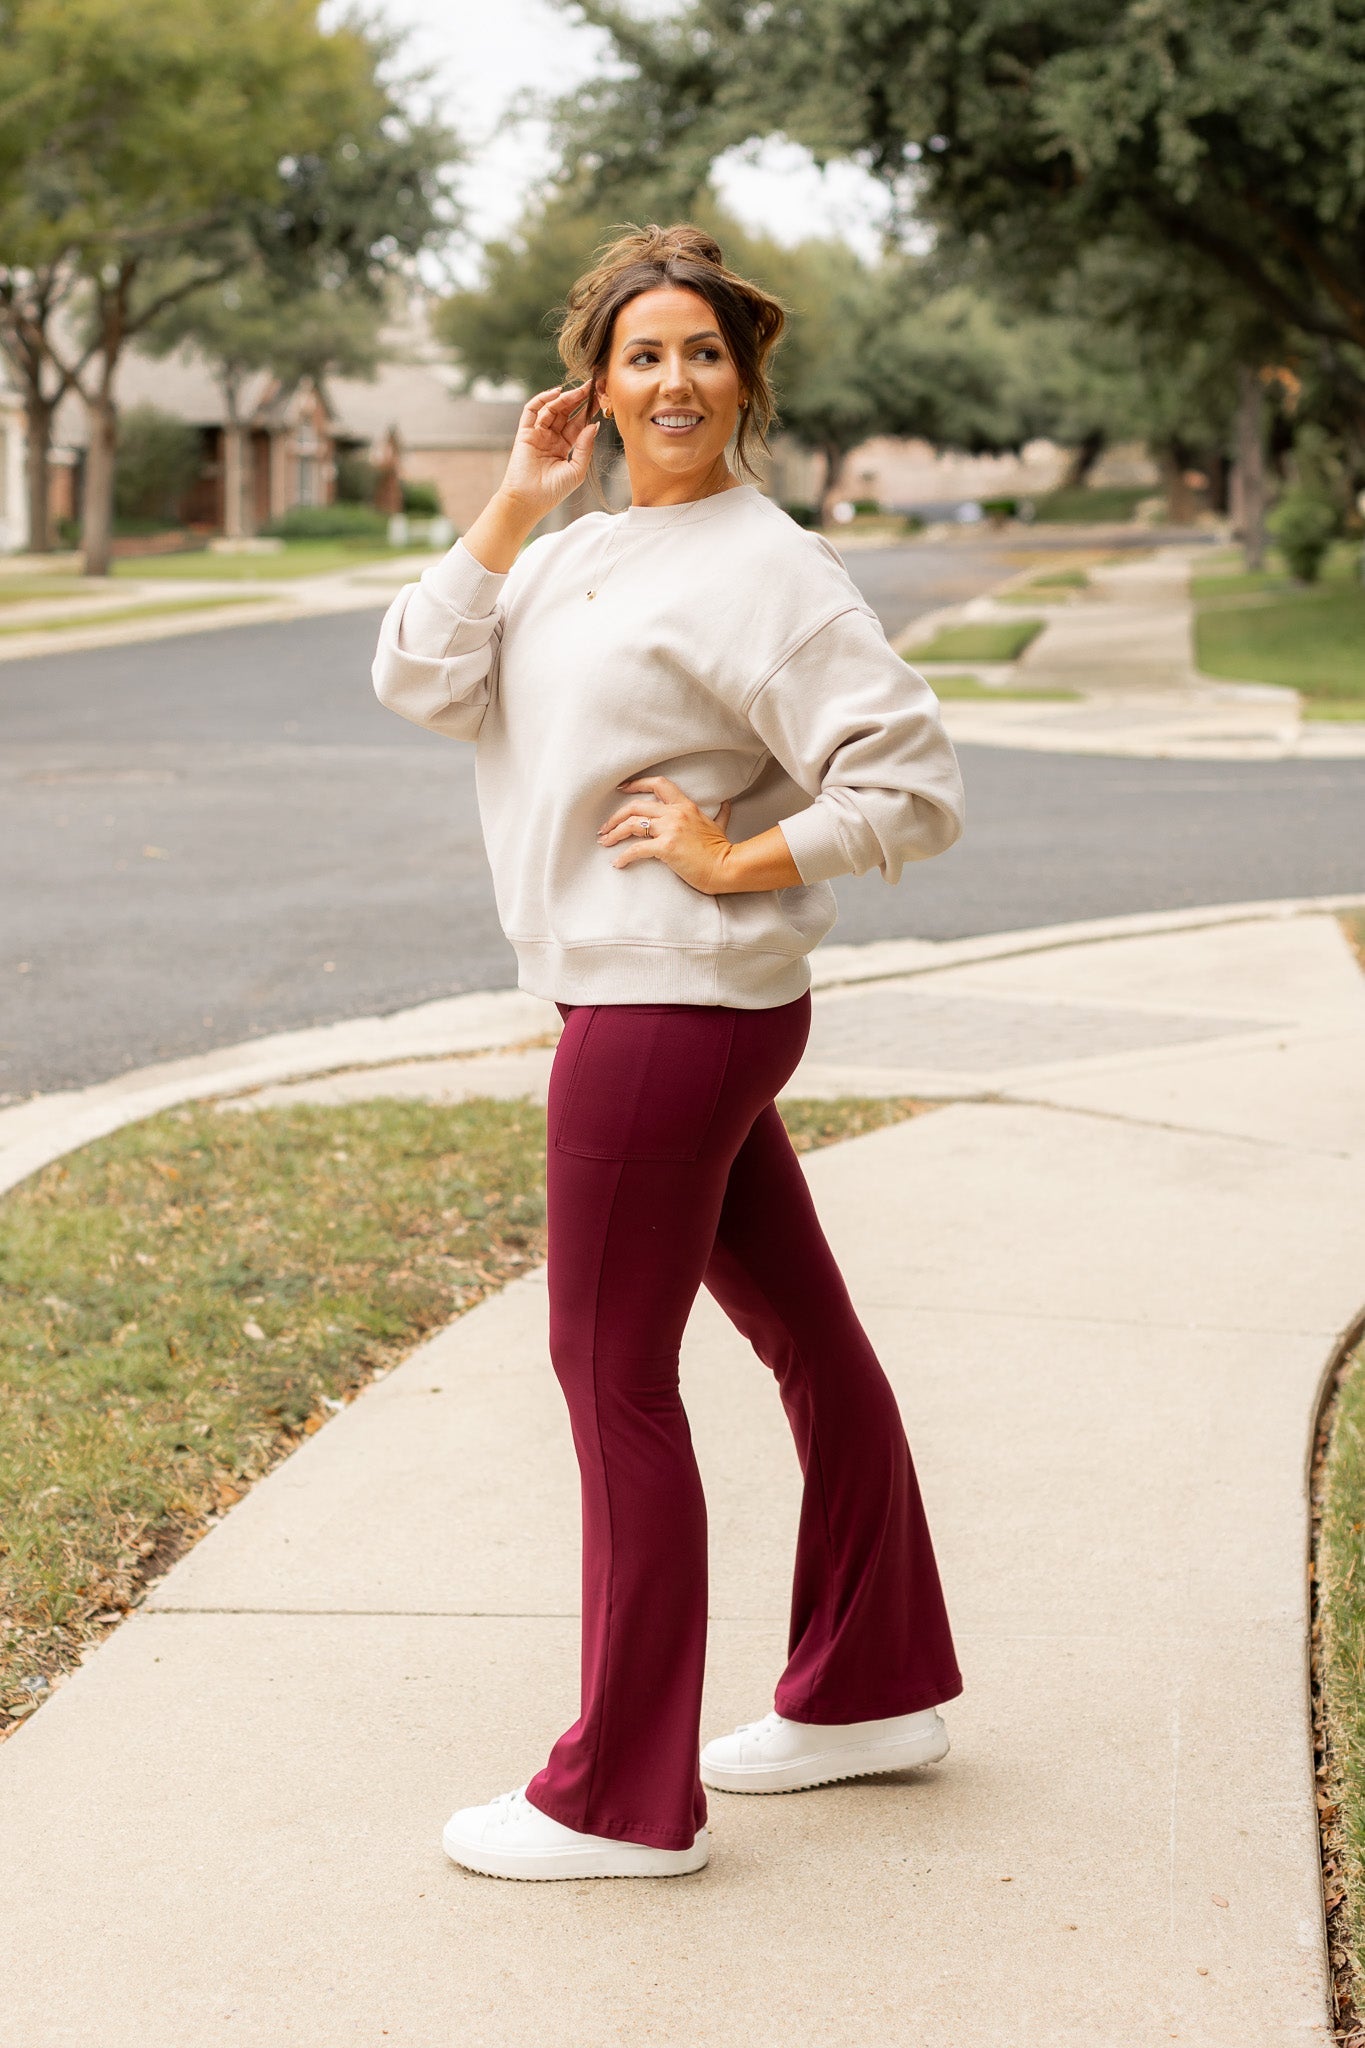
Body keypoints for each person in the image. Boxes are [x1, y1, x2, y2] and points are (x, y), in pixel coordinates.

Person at [372, 224, 965, 1883]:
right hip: (648, 1001)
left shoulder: (770, 570)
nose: (675, 379)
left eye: (702, 352)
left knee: (610, 1380)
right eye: (644, 354)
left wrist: (732, 858)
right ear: (597, 383)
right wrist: (512, 501)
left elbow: (910, 784)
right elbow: (417, 675)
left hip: (670, 1004)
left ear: (741, 377)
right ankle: (869, 1690)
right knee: (804, 1334)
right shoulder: (570, 551)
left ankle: (617, 1800)